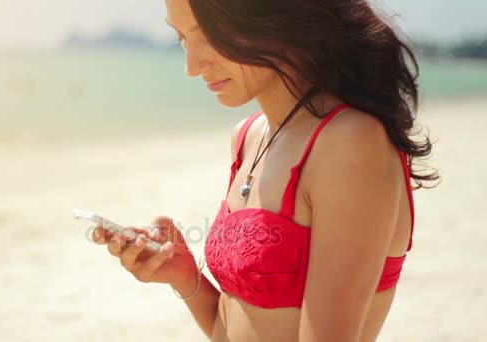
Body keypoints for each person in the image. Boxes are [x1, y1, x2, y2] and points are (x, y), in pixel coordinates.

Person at [91, 0, 439, 341]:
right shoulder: (248, 136)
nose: (192, 66)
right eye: (182, 38)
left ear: (274, 15)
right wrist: (185, 278)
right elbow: (235, 326)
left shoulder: (350, 143)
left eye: (209, 34)